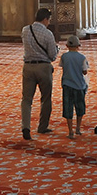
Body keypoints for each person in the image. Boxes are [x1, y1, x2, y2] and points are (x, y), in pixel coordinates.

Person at [20, 8, 59, 140]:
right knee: (46, 98)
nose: (49, 22)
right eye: (49, 20)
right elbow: (52, 56)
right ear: (45, 19)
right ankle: (42, 126)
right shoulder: (48, 34)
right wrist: (57, 50)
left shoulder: (25, 30)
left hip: (28, 67)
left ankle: (26, 127)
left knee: (26, 99)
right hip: (43, 68)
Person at [58, 35, 88, 139]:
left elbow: (62, 67)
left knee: (68, 108)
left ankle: (70, 131)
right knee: (80, 107)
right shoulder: (82, 57)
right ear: (78, 46)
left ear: (67, 46)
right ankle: (78, 128)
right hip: (79, 85)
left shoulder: (64, 57)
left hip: (67, 85)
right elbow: (84, 71)